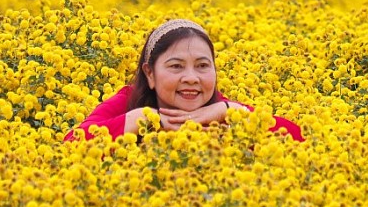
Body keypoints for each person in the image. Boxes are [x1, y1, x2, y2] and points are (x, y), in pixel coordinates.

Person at [65, 19, 304, 142]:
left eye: (202, 66)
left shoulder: (223, 112)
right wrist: (141, 119)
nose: (191, 78)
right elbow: (72, 144)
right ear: (150, 73)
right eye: (176, 66)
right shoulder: (128, 102)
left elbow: (299, 140)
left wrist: (233, 111)